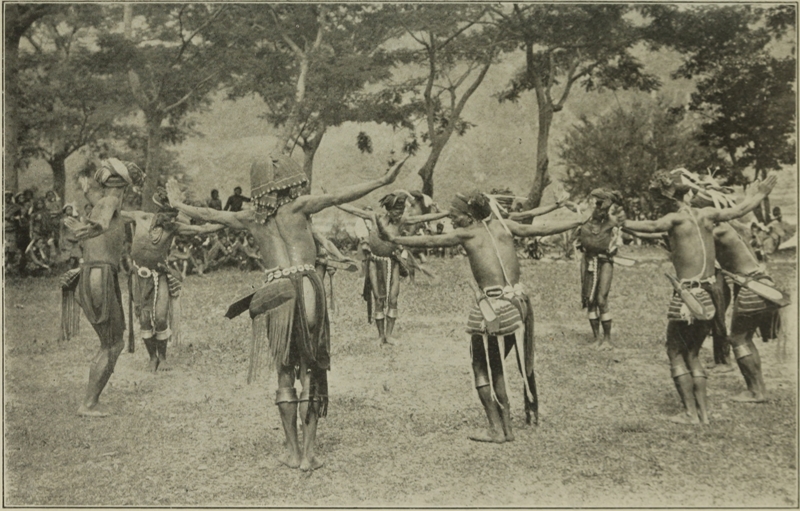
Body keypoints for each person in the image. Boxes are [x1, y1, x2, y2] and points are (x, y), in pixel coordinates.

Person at [167, 152, 407, 471]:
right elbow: (339, 195)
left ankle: (293, 453)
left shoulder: (250, 217)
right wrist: (383, 180)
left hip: (274, 288)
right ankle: (309, 455)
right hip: (307, 284)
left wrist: (178, 204)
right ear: (290, 183)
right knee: (310, 369)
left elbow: (209, 214)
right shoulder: (299, 206)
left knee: (284, 372)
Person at [382, 190, 590, 442]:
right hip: (520, 302)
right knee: (498, 366)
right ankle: (508, 428)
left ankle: (496, 430)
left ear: (469, 216)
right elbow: (542, 230)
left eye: (455, 216)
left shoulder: (467, 233)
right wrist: (578, 221)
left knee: (482, 367)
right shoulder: (504, 226)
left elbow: (428, 243)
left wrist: (394, 239)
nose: (452, 220)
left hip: (497, 307)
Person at [622, 170, 777, 425]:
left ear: (665, 198)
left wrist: (619, 222)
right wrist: (760, 194)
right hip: (711, 292)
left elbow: (651, 227)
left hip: (688, 296)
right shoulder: (708, 216)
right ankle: (703, 414)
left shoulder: (674, 220)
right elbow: (739, 210)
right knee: (693, 353)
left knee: (675, 352)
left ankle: (690, 414)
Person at [63, 158, 145, 417]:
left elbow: (122, 219)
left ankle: (90, 402)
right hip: (99, 276)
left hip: (92, 274)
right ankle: (88, 404)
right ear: (125, 187)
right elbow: (103, 223)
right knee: (112, 345)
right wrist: (89, 229)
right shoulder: (109, 203)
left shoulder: (105, 205)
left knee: (110, 343)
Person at [121, 189, 224, 372]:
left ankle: (163, 357)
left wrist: (227, 222)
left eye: (174, 214)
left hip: (159, 275)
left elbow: (201, 229)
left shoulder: (174, 227)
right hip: (139, 277)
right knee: (144, 320)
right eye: (168, 213)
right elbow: (115, 215)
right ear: (158, 210)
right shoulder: (140, 217)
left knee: (160, 318)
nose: (171, 217)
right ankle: (152, 357)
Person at [337, 191, 449, 346]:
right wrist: (334, 201)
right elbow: (353, 210)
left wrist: (446, 213)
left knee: (393, 298)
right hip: (374, 263)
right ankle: (380, 335)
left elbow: (423, 218)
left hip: (392, 262)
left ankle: (389, 335)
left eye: (401, 211)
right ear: (388, 210)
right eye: (396, 211)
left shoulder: (402, 221)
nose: (399, 215)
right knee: (378, 298)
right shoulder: (374, 218)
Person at [575, 189, 625, 349]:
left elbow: (617, 244)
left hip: (605, 262)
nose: (598, 209)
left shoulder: (612, 223)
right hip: (588, 260)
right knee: (589, 300)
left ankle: (608, 339)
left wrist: (611, 249)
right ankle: (596, 338)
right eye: (596, 205)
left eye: (602, 206)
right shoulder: (585, 220)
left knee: (602, 299)